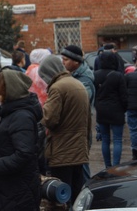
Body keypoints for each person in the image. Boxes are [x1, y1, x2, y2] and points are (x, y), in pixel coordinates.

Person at [0, 68, 42, 211]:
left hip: (18, 189)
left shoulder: (21, 117)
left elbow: (24, 154)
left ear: (9, 92)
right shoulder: (13, 113)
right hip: (11, 187)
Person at [40, 55, 90, 204]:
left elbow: (49, 119)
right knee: (75, 195)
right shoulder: (77, 84)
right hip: (78, 149)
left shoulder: (57, 88)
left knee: (60, 197)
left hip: (62, 150)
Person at [60, 44, 95, 180]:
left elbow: (78, 105)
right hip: (75, 129)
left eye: (66, 59)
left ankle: (88, 195)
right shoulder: (74, 76)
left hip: (80, 130)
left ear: (76, 61)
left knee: (82, 167)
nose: (63, 62)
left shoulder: (84, 81)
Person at [94, 51, 127, 167]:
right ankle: (116, 166)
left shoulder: (96, 75)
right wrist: (124, 109)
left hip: (102, 110)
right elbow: (123, 96)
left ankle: (107, 166)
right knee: (117, 140)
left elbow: (94, 94)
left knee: (105, 140)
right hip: (116, 110)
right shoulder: (118, 75)